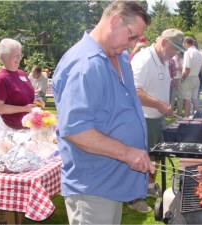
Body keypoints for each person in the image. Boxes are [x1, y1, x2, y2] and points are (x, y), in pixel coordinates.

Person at [52, 1, 154, 224]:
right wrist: (128, 153)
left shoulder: (119, 57)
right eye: (132, 36)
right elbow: (75, 131)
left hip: (112, 181)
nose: (132, 44)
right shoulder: (84, 65)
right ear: (115, 21)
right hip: (92, 186)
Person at [130, 28, 186, 213]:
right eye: (174, 49)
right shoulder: (143, 59)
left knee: (156, 156)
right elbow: (134, 91)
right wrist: (160, 105)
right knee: (140, 159)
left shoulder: (164, 60)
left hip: (157, 117)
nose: (176, 54)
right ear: (163, 43)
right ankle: (134, 197)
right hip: (142, 118)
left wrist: (164, 107)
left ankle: (149, 187)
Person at [0, 38, 35, 141]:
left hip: (27, 127)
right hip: (9, 130)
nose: (19, 58)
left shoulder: (22, 73)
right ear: (4, 56)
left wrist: (35, 102)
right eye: (16, 55)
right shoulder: (0, 78)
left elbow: (26, 95)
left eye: (20, 54)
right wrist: (24, 109)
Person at [180, 36, 202, 117]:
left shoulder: (188, 52)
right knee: (194, 98)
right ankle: (197, 117)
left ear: (186, 43)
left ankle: (186, 119)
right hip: (196, 77)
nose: (183, 45)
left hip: (188, 77)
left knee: (186, 100)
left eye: (183, 43)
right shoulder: (198, 52)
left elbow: (187, 69)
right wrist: (201, 75)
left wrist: (183, 78)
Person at [173, 51, 184, 115]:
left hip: (180, 78)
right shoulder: (173, 58)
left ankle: (179, 113)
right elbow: (171, 68)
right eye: (177, 53)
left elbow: (181, 69)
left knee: (180, 96)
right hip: (173, 79)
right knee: (172, 96)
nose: (177, 54)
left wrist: (175, 68)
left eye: (179, 53)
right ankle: (170, 112)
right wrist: (177, 68)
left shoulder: (183, 59)